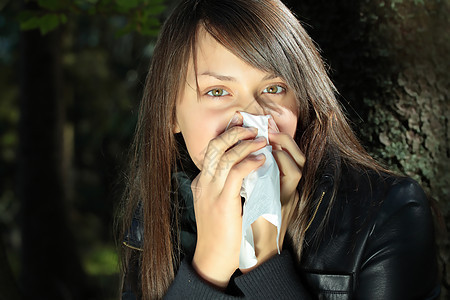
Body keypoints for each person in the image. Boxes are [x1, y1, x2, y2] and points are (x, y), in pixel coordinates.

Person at [119, 0, 440, 299]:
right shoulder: (155, 214)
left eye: (273, 88)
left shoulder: (386, 213)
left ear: (301, 101)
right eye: (218, 91)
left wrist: (262, 261)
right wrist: (208, 268)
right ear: (172, 113)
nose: (252, 116)